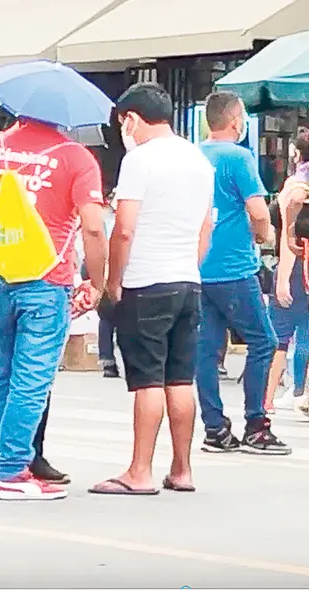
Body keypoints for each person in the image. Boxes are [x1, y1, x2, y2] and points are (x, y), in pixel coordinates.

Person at [0, 115, 107, 501]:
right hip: (47, 279)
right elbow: (93, 225)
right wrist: (98, 280)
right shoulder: (77, 158)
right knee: (31, 379)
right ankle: (12, 471)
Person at [87, 83, 213, 495]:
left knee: (147, 381)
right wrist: (187, 267)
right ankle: (182, 469)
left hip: (146, 280)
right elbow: (205, 227)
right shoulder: (197, 158)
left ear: (132, 118)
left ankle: (139, 471)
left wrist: (113, 282)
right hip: (187, 282)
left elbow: (123, 230)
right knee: (180, 378)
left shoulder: (139, 161)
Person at [195, 91, 289, 456]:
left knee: (206, 350)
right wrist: (261, 236)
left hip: (197, 267)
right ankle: (256, 424)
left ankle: (215, 428)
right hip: (234, 267)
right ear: (235, 121)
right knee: (263, 341)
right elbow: (259, 211)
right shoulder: (239, 157)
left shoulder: (194, 155)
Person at [264, 128, 309, 413]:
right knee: (305, 331)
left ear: (295, 152)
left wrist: (281, 278)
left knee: (277, 336)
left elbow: (284, 238)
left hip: (296, 265)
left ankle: (266, 398)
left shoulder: (297, 184)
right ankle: (301, 392)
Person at [97, 193, 120, 379]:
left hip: (106, 270)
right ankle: (113, 360)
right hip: (127, 271)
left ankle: (107, 361)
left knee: (106, 319)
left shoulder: (104, 217)